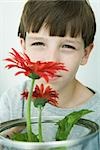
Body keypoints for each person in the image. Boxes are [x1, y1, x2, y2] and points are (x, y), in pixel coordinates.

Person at [0, 0, 100, 149]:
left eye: (68, 46)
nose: (51, 60)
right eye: (39, 44)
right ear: (24, 47)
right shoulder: (14, 101)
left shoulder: (97, 113)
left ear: (85, 54)